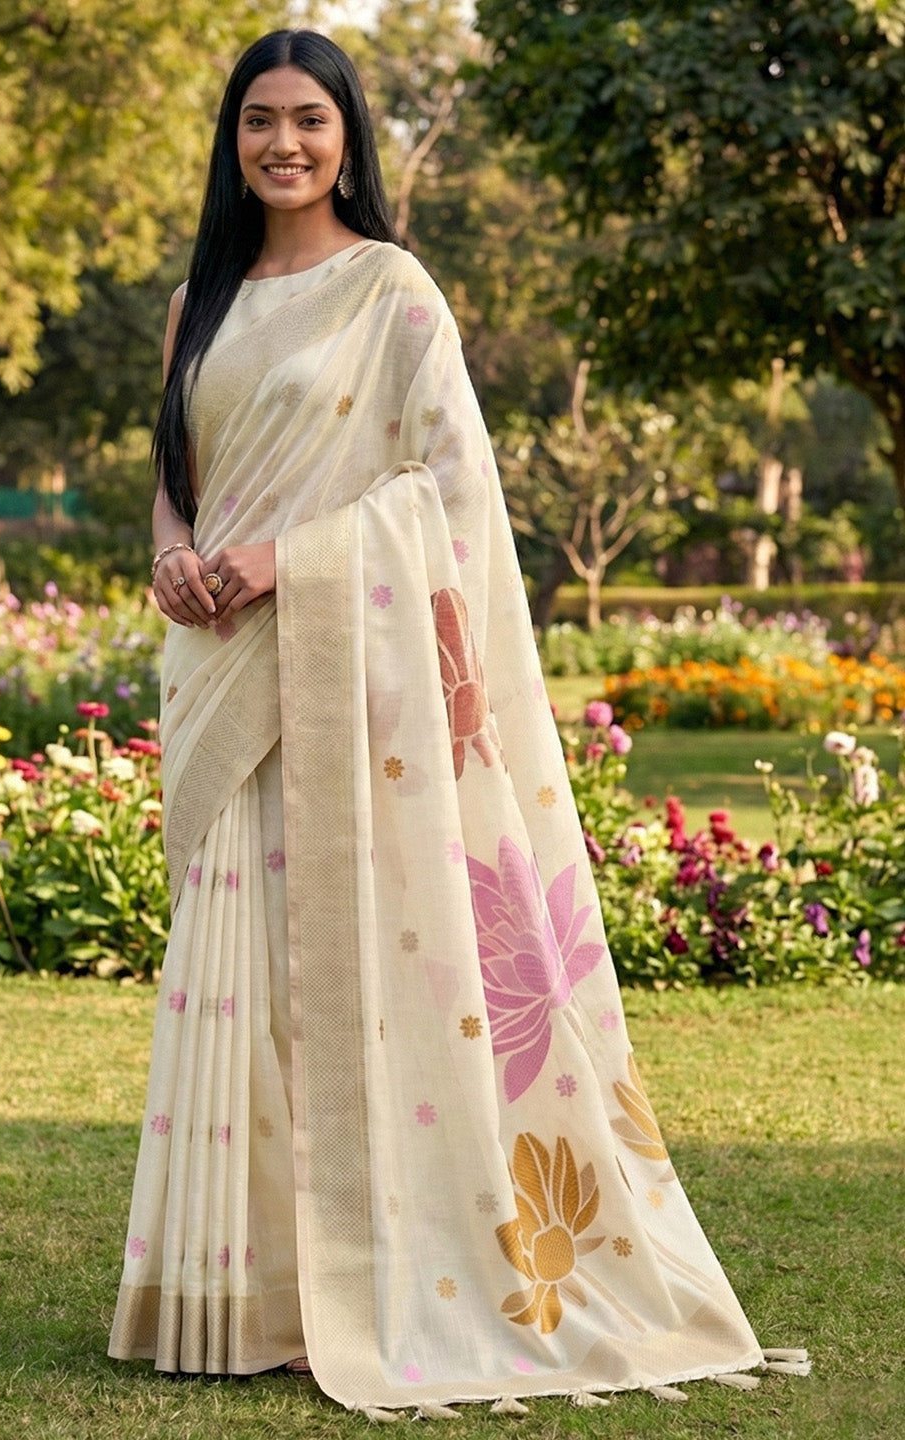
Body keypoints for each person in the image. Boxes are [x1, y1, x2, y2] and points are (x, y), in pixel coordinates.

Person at [108, 28, 808, 1417]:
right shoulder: (200, 302)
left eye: (310, 120)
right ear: (232, 141)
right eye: (260, 121)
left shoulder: (392, 291)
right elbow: (174, 472)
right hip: (221, 666)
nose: (284, 144)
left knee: (341, 974)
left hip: (339, 670)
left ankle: (365, 1282)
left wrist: (285, 561)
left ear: (348, 139)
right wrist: (173, 551)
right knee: (241, 976)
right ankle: (232, 1295)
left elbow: (448, 490)